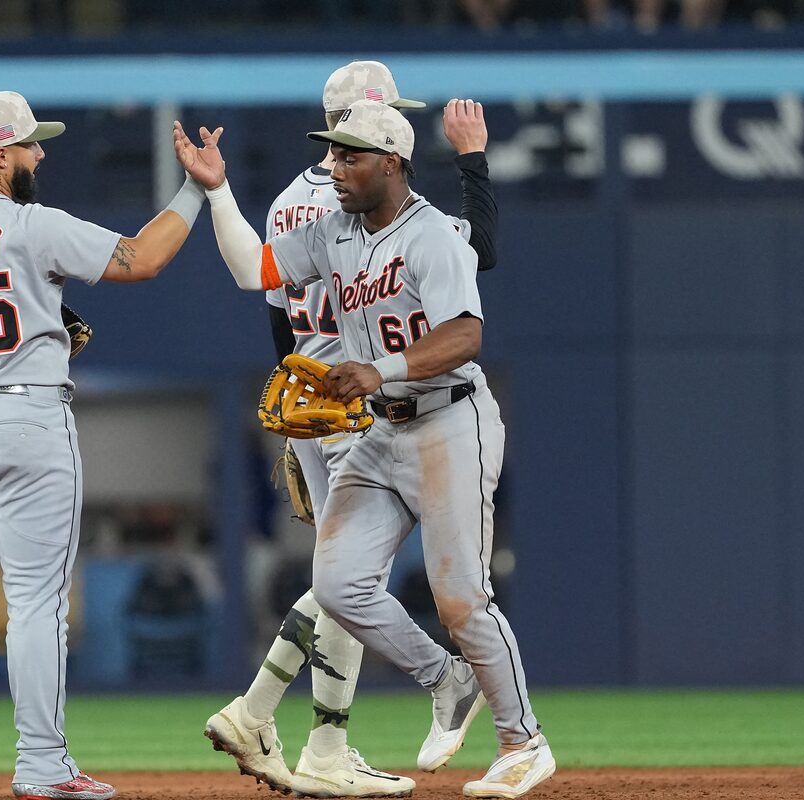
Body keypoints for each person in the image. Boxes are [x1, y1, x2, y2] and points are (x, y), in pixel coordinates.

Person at [175, 99, 556, 799]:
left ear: (391, 163)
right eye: (333, 153)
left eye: (350, 156)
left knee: (460, 600)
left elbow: (466, 335)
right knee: (339, 584)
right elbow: (253, 269)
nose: (334, 167)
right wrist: (218, 190)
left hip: (450, 420)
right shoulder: (332, 233)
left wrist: (381, 370)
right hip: (381, 429)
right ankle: (446, 678)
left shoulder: (434, 236)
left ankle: (522, 742)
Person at [0, 90, 209, 800]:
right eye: (30, 144)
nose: (40, 154)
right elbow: (144, 258)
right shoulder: (32, 224)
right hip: (26, 417)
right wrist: (195, 190)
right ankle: (42, 766)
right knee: (35, 602)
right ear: (0, 155)